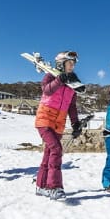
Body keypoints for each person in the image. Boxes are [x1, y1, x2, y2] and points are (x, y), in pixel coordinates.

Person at [34, 51, 83, 200]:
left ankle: (41, 186)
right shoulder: (50, 76)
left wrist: (75, 123)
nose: (72, 66)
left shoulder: (72, 84)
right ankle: (54, 187)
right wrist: (59, 80)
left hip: (59, 122)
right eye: (69, 63)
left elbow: (72, 106)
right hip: (45, 119)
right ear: (61, 64)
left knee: (49, 153)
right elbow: (47, 90)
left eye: (73, 63)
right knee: (56, 149)